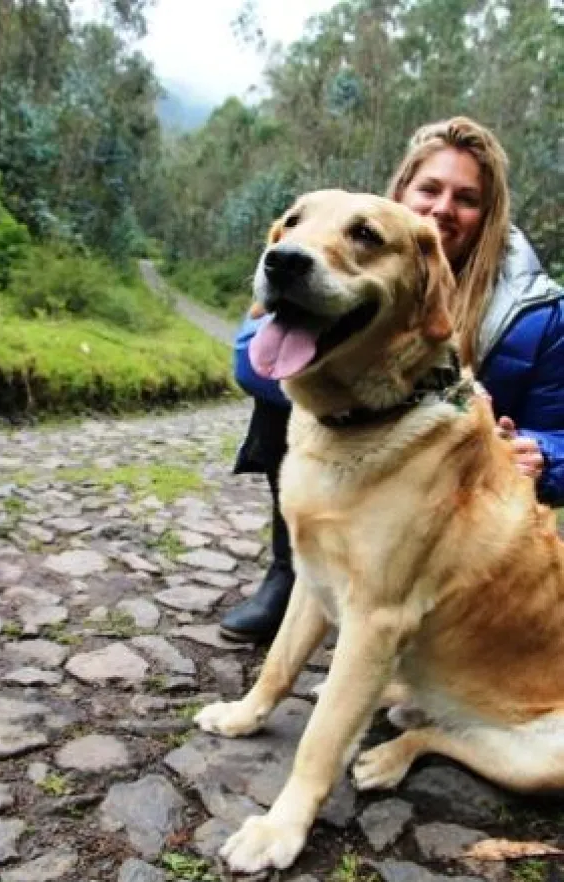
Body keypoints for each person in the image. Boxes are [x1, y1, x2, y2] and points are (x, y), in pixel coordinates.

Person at [220, 115, 564, 643]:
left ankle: (440, 629)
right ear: (402, 190)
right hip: (355, 435)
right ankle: (292, 570)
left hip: (454, 497)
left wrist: (540, 452)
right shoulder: (331, 240)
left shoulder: (539, 311)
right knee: (285, 393)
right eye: (430, 188)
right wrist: (363, 385)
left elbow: (559, 434)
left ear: (490, 215)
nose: (444, 208)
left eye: (467, 198)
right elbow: (253, 360)